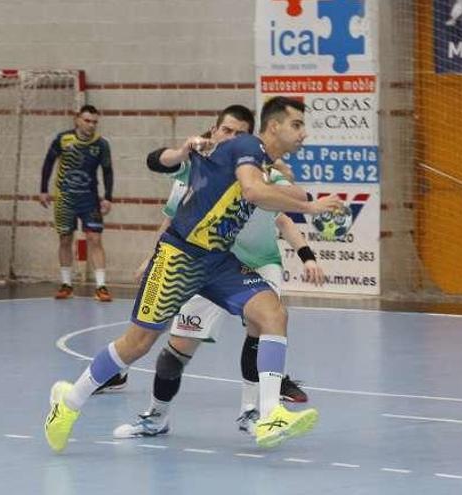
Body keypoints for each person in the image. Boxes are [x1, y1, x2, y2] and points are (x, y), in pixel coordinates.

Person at [44, 96, 343, 453]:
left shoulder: (260, 163)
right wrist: (309, 207)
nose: (303, 133)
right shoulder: (246, 148)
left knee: (273, 312)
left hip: (218, 262)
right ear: (275, 125)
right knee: (138, 343)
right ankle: (69, 401)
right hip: (179, 256)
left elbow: (265, 194)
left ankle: (269, 414)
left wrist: (299, 203)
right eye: (297, 125)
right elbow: (247, 189)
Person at [107, 106, 322, 438]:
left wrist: (287, 185)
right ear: (214, 131)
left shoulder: (262, 171)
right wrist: (153, 257)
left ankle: (256, 413)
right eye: (227, 131)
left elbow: (287, 203)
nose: (234, 138)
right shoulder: (201, 166)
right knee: (177, 347)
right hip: (201, 263)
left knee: (265, 324)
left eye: (241, 134)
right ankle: (156, 416)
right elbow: (161, 180)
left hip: (254, 266)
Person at [40, 105, 114, 302]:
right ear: (77, 120)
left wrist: (108, 197)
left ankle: (101, 286)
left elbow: (107, 171)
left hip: (89, 199)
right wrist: (43, 190)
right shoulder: (63, 139)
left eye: (94, 122)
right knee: (65, 239)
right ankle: (66, 284)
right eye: (87, 121)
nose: (91, 125)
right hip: (65, 198)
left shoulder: (101, 144)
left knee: (95, 239)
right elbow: (48, 163)